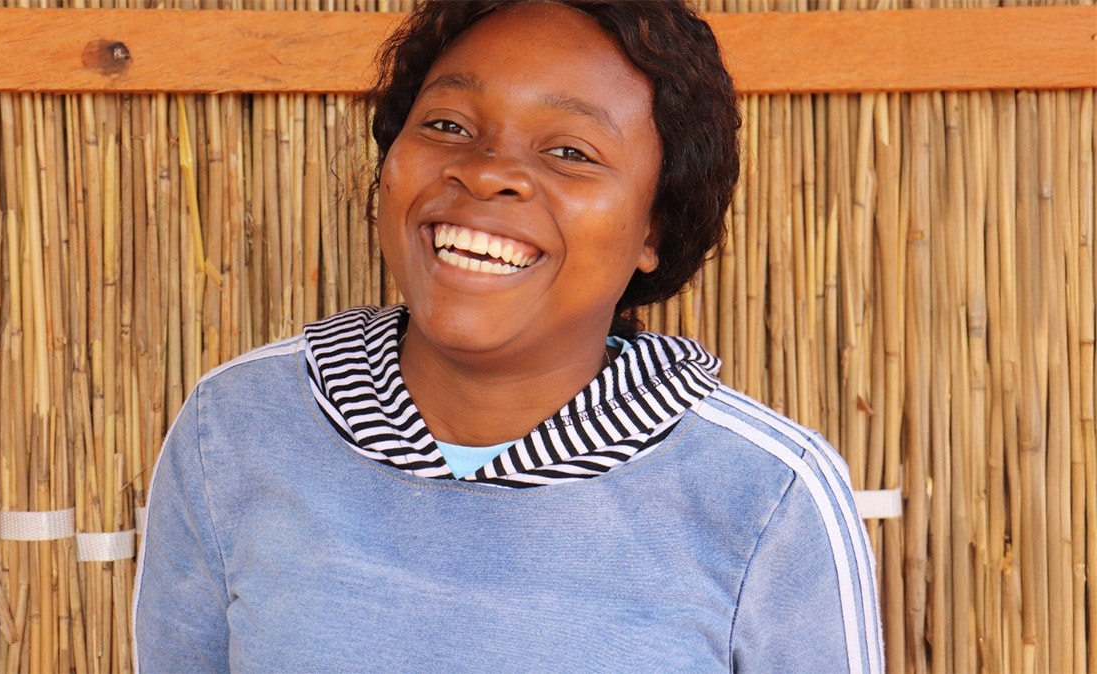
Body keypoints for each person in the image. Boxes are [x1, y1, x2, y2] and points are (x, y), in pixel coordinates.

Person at [133, 1, 884, 671]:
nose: (489, 173)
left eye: (570, 152)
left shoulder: (765, 495)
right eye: (449, 126)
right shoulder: (236, 426)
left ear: (655, 225)